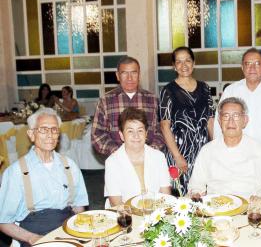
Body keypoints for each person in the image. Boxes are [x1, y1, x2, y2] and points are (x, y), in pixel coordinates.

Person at [0, 108, 88, 246]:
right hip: (32, 235)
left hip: (67, 232)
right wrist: (32, 238)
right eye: (43, 129)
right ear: (31, 134)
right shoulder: (15, 172)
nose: (50, 135)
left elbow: (78, 208)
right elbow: (4, 221)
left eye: (54, 130)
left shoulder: (70, 166)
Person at [189, 97, 261, 202]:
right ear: (219, 121)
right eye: (226, 116)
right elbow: (195, 185)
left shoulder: (259, 149)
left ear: (245, 121)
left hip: (251, 209)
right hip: (217, 209)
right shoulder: (207, 150)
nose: (231, 121)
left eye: (236, 116)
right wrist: (196, 193)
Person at [213, 48, 261, 169]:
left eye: (257, 63)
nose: (252, 68)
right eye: (248, 64)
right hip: (235, 160)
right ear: (242, 68)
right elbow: (218, 124)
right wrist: (219, 153)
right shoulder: (231, 91)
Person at [159, 47, 214, 194]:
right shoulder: (168, 90)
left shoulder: (205, 88)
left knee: (202, 192)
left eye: (188, 60)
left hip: (202, 149)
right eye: (179, 62)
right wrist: (177, 156)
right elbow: (165, 126)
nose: (184, 65)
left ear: (194, 63)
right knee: (180, 196)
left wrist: (215, 147)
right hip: (179, 150)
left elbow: (210, 120)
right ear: (174, 66)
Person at [91, 56, 165, 155]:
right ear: (117, 75)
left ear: (139, 75)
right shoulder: (106, 101)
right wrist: (118, 152)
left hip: (148, 159)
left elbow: (161, 131)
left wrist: (149, 151)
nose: (129, 78)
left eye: (134, 73)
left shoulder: (152, 100)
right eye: (124, 73)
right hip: (117, 160)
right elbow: (97, 134)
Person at [105, 107, 171, 207]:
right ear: (122, 135)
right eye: (130, 131)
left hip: (155, 213)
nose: (136, 136)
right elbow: (116, 203)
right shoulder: (112, 162)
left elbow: (166, 195)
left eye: (140, 130)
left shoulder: (159, 157)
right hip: (125, 216)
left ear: (146, 133)